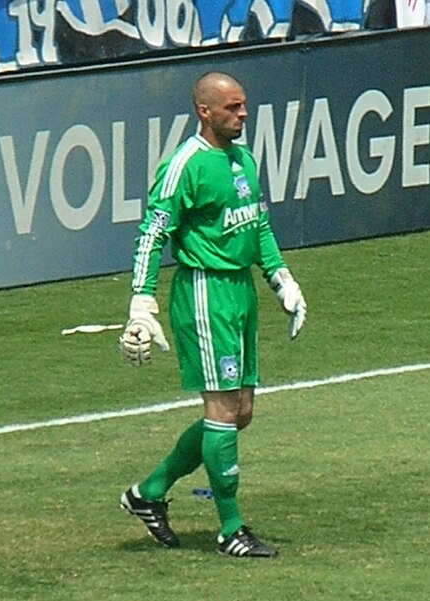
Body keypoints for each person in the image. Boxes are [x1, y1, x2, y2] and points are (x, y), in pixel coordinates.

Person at [119, 71, 306, 558]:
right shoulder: (185, 165)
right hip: (204, 292)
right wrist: (142, 302)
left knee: (239, 414)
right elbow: (151, 233)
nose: (243, 115)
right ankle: (231, 529)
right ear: (204, 110)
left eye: (244, 106)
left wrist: (281, 278)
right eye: (233, 108)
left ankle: (150, 492)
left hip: (238, 292)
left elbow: (257, 222)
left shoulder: (242, 158)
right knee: (222, 412)